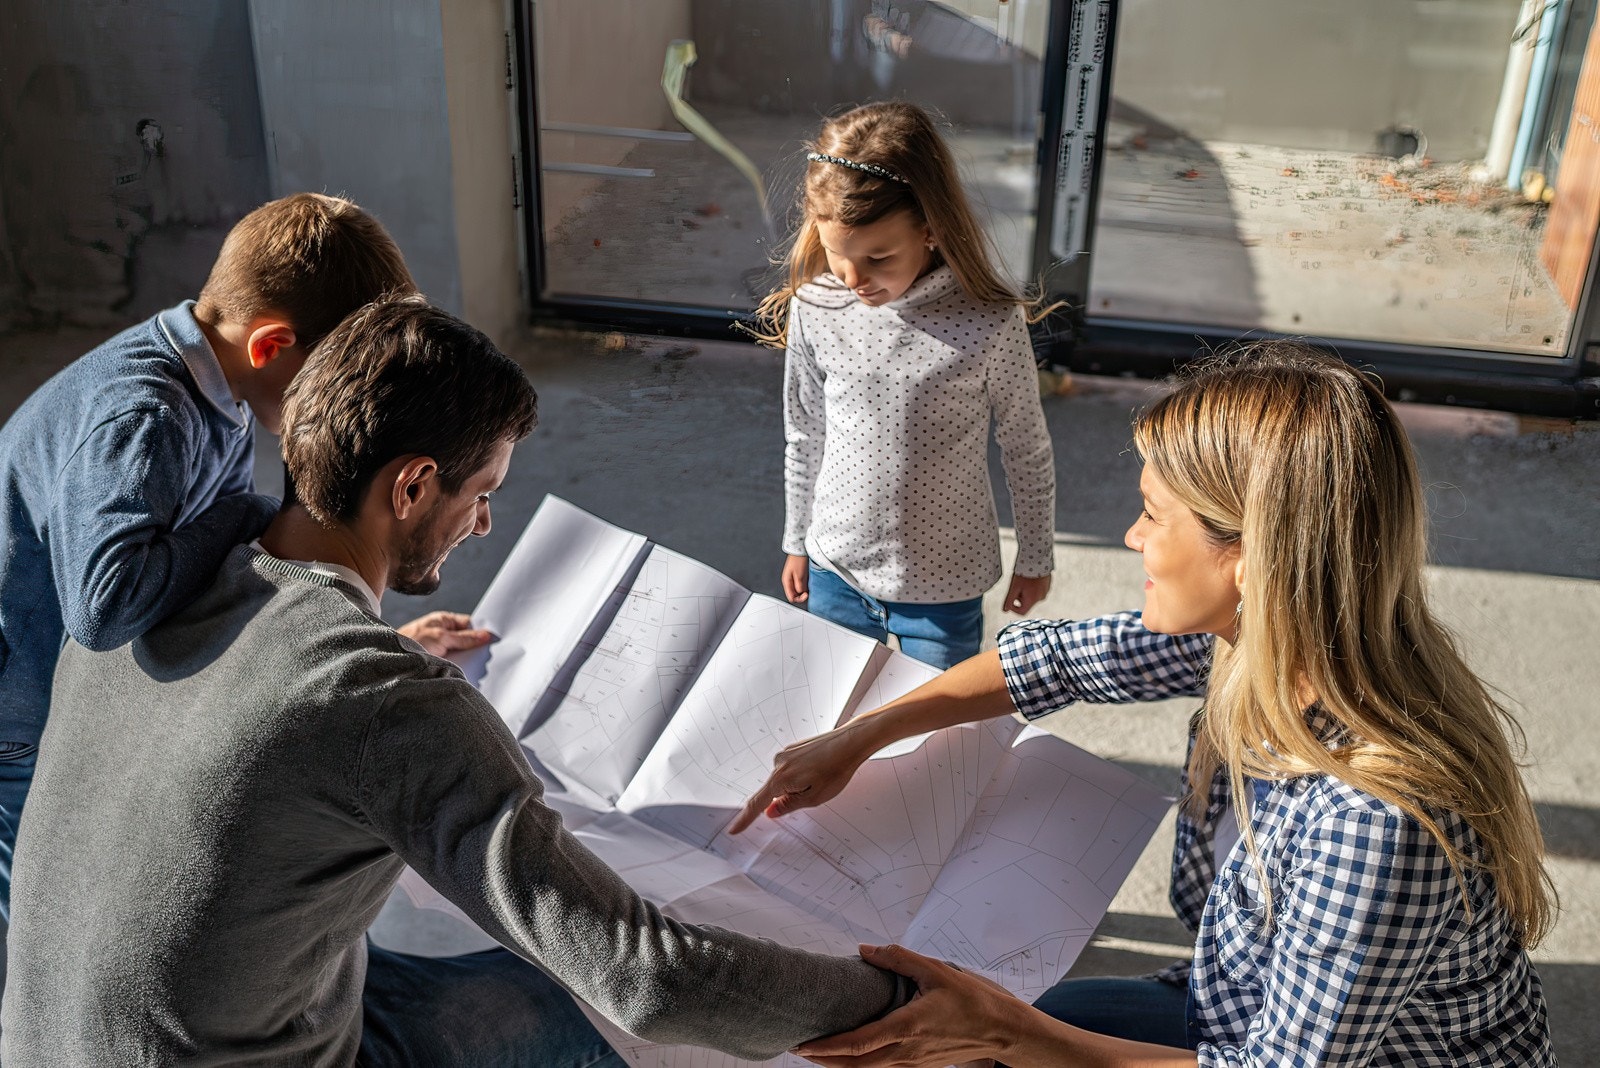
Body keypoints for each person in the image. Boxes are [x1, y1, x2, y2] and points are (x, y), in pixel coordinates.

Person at [2, 296, 909, 1067]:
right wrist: (898, 999)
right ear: (411, 487)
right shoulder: (384, 704)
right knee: (582, 1018)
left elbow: (273, 694)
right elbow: (645, 973)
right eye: (482, 493)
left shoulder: (151, 586)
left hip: (49, 1036)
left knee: (434, 962)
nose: (480, 523)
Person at [733, 344, 1556, 1066]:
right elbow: (1049, 663)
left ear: (1250, 557)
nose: (1130, 537)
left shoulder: (1375, 824)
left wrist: (1009, 1036)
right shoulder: (1259, 641)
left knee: (1001, 1037)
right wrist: (865, 734)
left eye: (1153, 516)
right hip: (1228, 1001)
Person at [0, 193, 488, 920]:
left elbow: (223, 576)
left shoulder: (220, 389)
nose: (351, 413)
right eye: (335, 386)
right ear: (270, 347)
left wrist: (373, 648)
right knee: (60, 916)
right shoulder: (148, 416)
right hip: (23, 729)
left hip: (68, 696)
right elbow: (107, 608)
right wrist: (253, 509)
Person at [752, 100, 1056, 670]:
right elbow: (805, 433)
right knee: (832, 724)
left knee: (932, 747)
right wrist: (796, 540)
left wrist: (1035, 555)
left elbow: (1025, 445)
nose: (854, 279)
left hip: (945, 590)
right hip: (835, 571)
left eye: (879, 257)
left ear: (932, 228)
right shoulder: (817, 306)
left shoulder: (987, 322)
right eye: (838, 255)